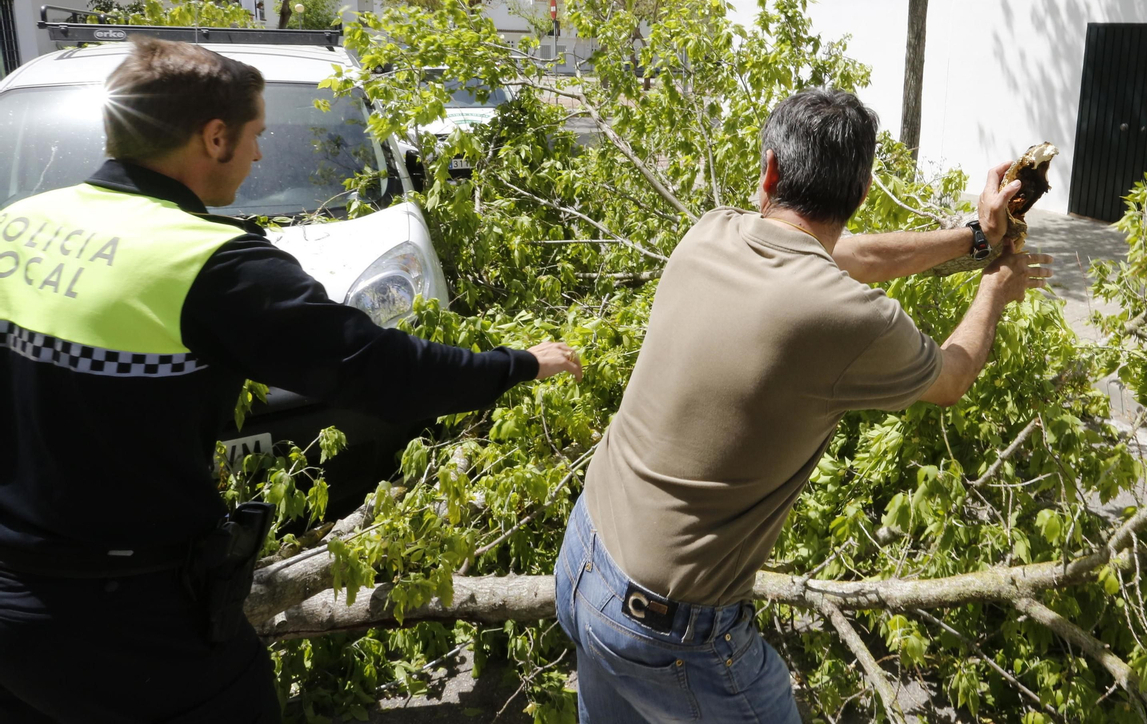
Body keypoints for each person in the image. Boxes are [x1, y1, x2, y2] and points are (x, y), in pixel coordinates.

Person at [0, 38, 582, 723]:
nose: (257, 155)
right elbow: (382, 373)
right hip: (122, 614)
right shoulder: (212, 263)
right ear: (214, 138)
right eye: (255, 135)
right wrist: (519, 363)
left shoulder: (20, 222)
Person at [555, 88, 1052, 723]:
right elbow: (952, 376)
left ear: (769, 171)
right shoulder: (849, 318)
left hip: (583, 557)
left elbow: (854, 256)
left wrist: (974, 237)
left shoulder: (713, 230)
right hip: (667, 630)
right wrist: (996, 288)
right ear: (863, 194)